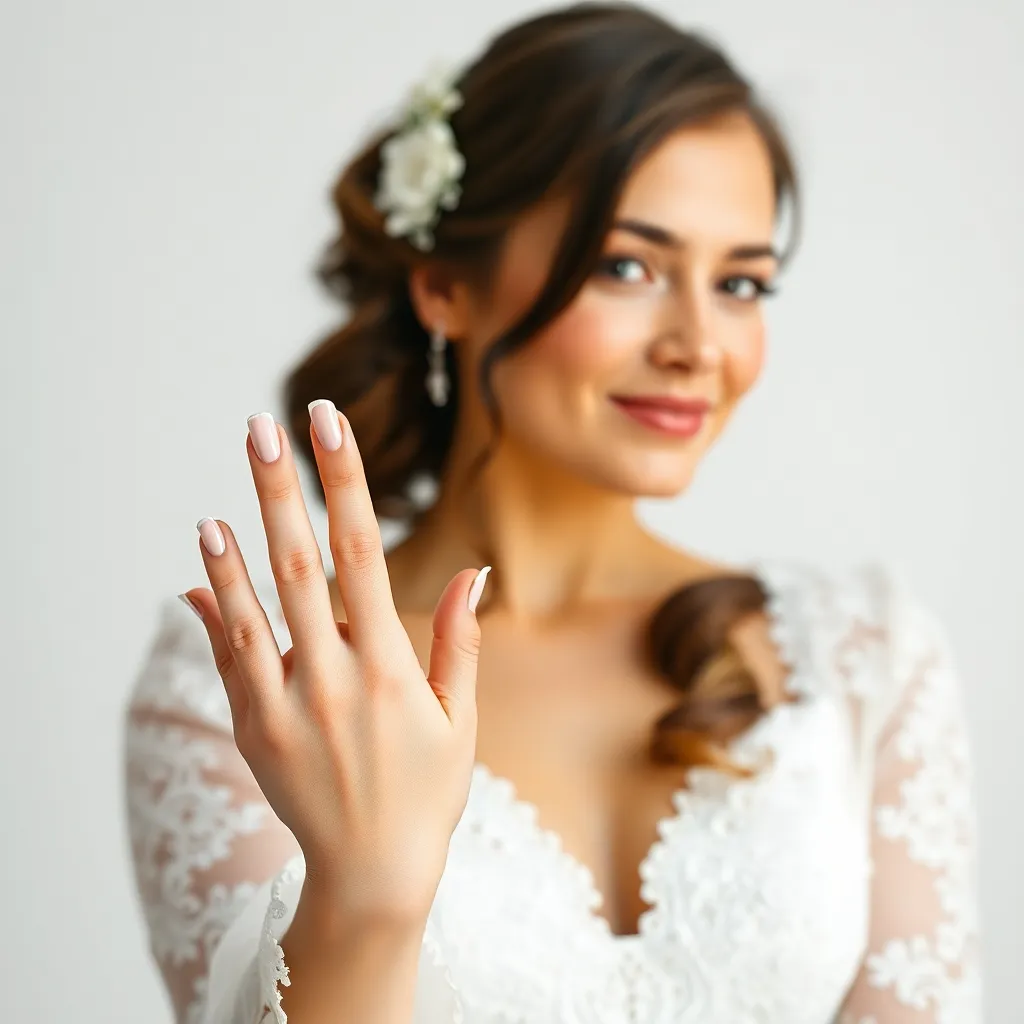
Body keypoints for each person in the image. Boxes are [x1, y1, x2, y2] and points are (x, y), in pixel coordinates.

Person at [122, 3, 983, 1022]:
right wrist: (368, 896)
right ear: (444, 283)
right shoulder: (254, 677)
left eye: (742, 282)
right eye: (628, 265)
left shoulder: (862, 656)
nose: (699, 343)